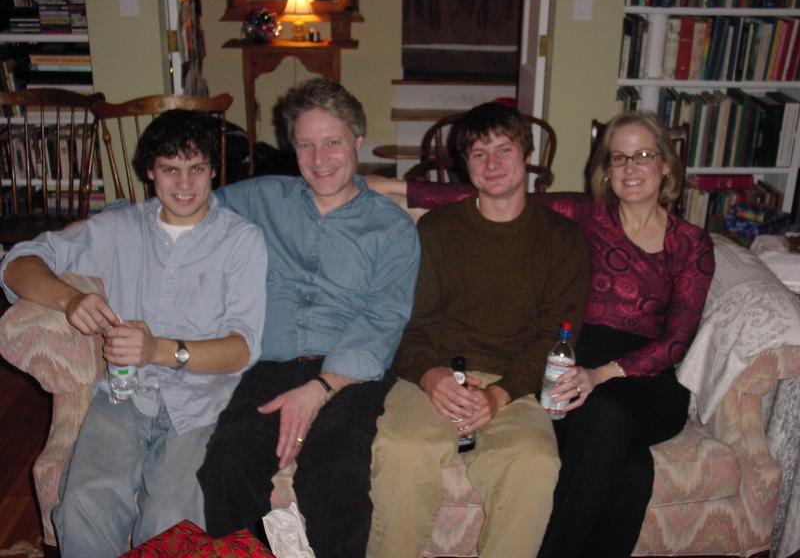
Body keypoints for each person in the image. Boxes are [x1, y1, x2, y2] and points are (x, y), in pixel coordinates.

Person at [369, 109, 716, 558]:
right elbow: (491, 192)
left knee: (589, 428)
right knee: (630, 470)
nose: (631, 168)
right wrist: (393, 186)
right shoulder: (589, 215)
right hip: (568, 362)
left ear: (666, 164)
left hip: (637, 376)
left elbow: (677, 341)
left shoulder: (688, 241)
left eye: (643, 156)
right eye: (619, 158)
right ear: (606, 168)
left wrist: (597, 375)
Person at [0, 110, 267, 557]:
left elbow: (243, 349)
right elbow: (17, 264)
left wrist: (159, 349)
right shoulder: (118, 228)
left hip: (204, 403)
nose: (185, 183)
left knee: (168, 520)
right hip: (123, 397)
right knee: (84, 504)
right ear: (150, 172)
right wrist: (70, 300)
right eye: (170, 169)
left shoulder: (242, 241)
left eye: (197, 168)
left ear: (213, 171)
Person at [197, 77, 420, 558]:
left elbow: (382, 320)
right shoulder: (260, 199)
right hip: (266, 364)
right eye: (305, 145)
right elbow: (185, 205)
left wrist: (318, 389)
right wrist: (107, 221)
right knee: (227, 461)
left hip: (348, 373)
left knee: (336, 471)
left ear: (358, 141)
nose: (319, 160)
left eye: (332, 143)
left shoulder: (391, 228)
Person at [367, 102, 590, 557]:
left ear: (526, 155)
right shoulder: (437, 230)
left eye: (504, 149)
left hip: (516, 384)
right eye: (478, 153)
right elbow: (409, 323)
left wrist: (498, 395)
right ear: (465, 165)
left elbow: (556, 340)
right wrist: (429, 375)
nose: (492, 163)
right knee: (404, 450)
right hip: (435, 374)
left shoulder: (563, 238)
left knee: (535, 462)